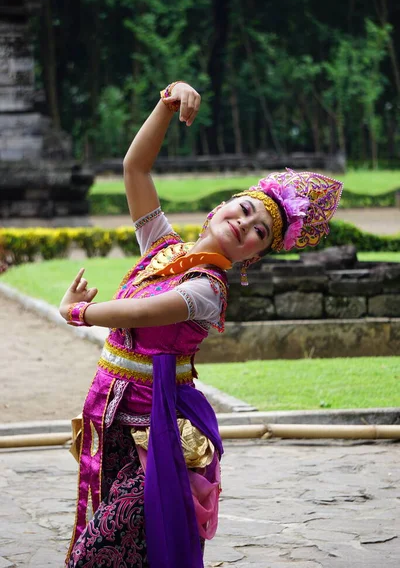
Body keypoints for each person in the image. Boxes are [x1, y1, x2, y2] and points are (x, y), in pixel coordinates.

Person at [60, 81, 343, 568]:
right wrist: (166, 104)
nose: (247, 225)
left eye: (260, 233)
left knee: (100, 550)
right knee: (123, 548)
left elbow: (144, 312)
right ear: (222, 205)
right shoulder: (163, 247)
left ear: (253, 255)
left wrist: (79, 313)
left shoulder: (209, 290)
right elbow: (136, 168)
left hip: (161, 432)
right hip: (108, 414)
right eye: (246, 209)